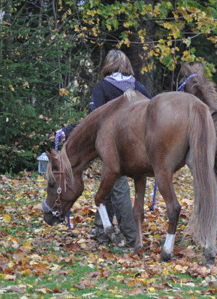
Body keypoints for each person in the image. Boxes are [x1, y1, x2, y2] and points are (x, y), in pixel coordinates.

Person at [56, 49, 152, 248]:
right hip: (139, 147)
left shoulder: (102, 88)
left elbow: (93, 120)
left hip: (114, 148)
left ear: (108, 66)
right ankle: (101, 231)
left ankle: (132, 236)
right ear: (126, 65)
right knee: (108, 185)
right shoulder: (139, 86)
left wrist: (68, 131)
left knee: (119, 188)